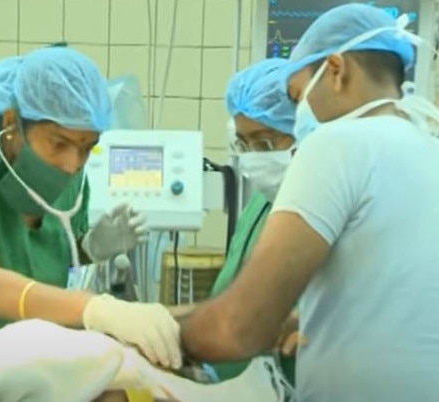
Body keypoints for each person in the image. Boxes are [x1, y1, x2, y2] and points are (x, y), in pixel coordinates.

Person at [178, 3, 439, 401]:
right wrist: (319, 318)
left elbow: (238, 327)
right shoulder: (427, 147)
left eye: (298, 96)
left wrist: (151, 335)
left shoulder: (336, 145)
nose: (299, 115)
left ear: (336, 70)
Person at [0, 46, 182, 384]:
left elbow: (37, 256)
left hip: (22, 376)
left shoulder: (70, 176)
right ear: (11, 124)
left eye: (86, 146)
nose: (72, 164)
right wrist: (96, 309)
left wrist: (86, 249)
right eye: (59, 144)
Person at [206, 57, 299, 383]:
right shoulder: (261, 201)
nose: (254, 158)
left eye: (265, 143)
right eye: (244, 144)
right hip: (237, 375)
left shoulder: (327, 209)